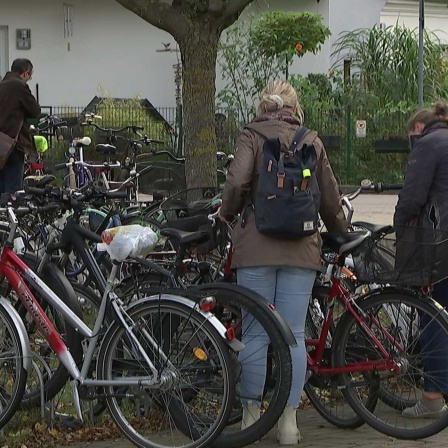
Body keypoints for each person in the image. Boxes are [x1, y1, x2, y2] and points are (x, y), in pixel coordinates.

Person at [219, 80, 347, 445]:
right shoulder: (312, 140)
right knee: (292, 334)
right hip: (302, 249)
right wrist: (339, 231)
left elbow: (236, 182)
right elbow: (330, 196)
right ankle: (289, 423)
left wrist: (227, 215)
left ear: (264, 105)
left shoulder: (252, 135)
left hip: (256, 247)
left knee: (257, 332)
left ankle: (251, 418)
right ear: (294, 106)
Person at [395, 101, 448, 418]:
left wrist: (399, 226)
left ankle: (431, 397)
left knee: (433, 317)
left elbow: (412, 198)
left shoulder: (429, 144)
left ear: (418, 127)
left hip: (441, 244)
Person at [0, 58, 41, 194]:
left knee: (2, 186)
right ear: (25, 73)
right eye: (30, 75)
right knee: (13, 189)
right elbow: (35, 111)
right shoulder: (19, 86)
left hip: (1, 144)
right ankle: (10, 213)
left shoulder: (2, 84)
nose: (30, 78)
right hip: (13, 144)